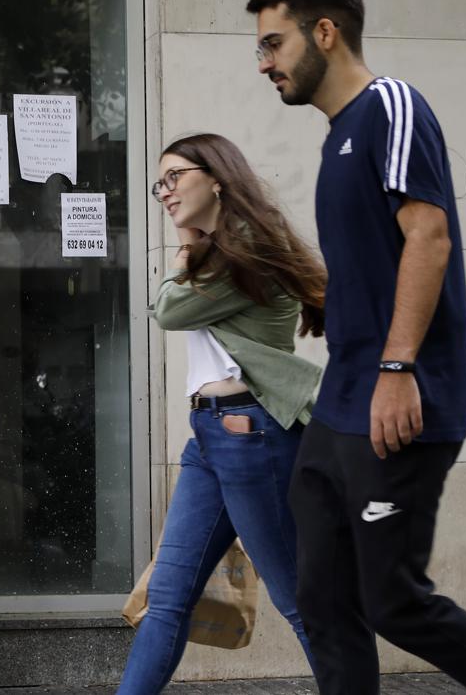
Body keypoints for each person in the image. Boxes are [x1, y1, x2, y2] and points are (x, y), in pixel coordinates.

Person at [246, 0, 466, 694]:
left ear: (325, 32)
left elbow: (429, 236)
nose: (264, 64)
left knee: (395, 601)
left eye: (273, 44)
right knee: (321, 598)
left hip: (402, 398)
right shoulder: (338, 135)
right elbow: (379, 253)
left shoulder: (391, 106)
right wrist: (334, 305)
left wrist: (395, 366)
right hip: (342, 399)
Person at [119, 133, 326, 693]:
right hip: (212, 435)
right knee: (167, 598)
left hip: (250, 434)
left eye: (174, 177)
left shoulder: (247, 249)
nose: (164, 191)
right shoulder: (223, 252)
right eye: (159, 182)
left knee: (298, 600)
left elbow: (168, 310)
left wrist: (184, 244)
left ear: (216, 177)